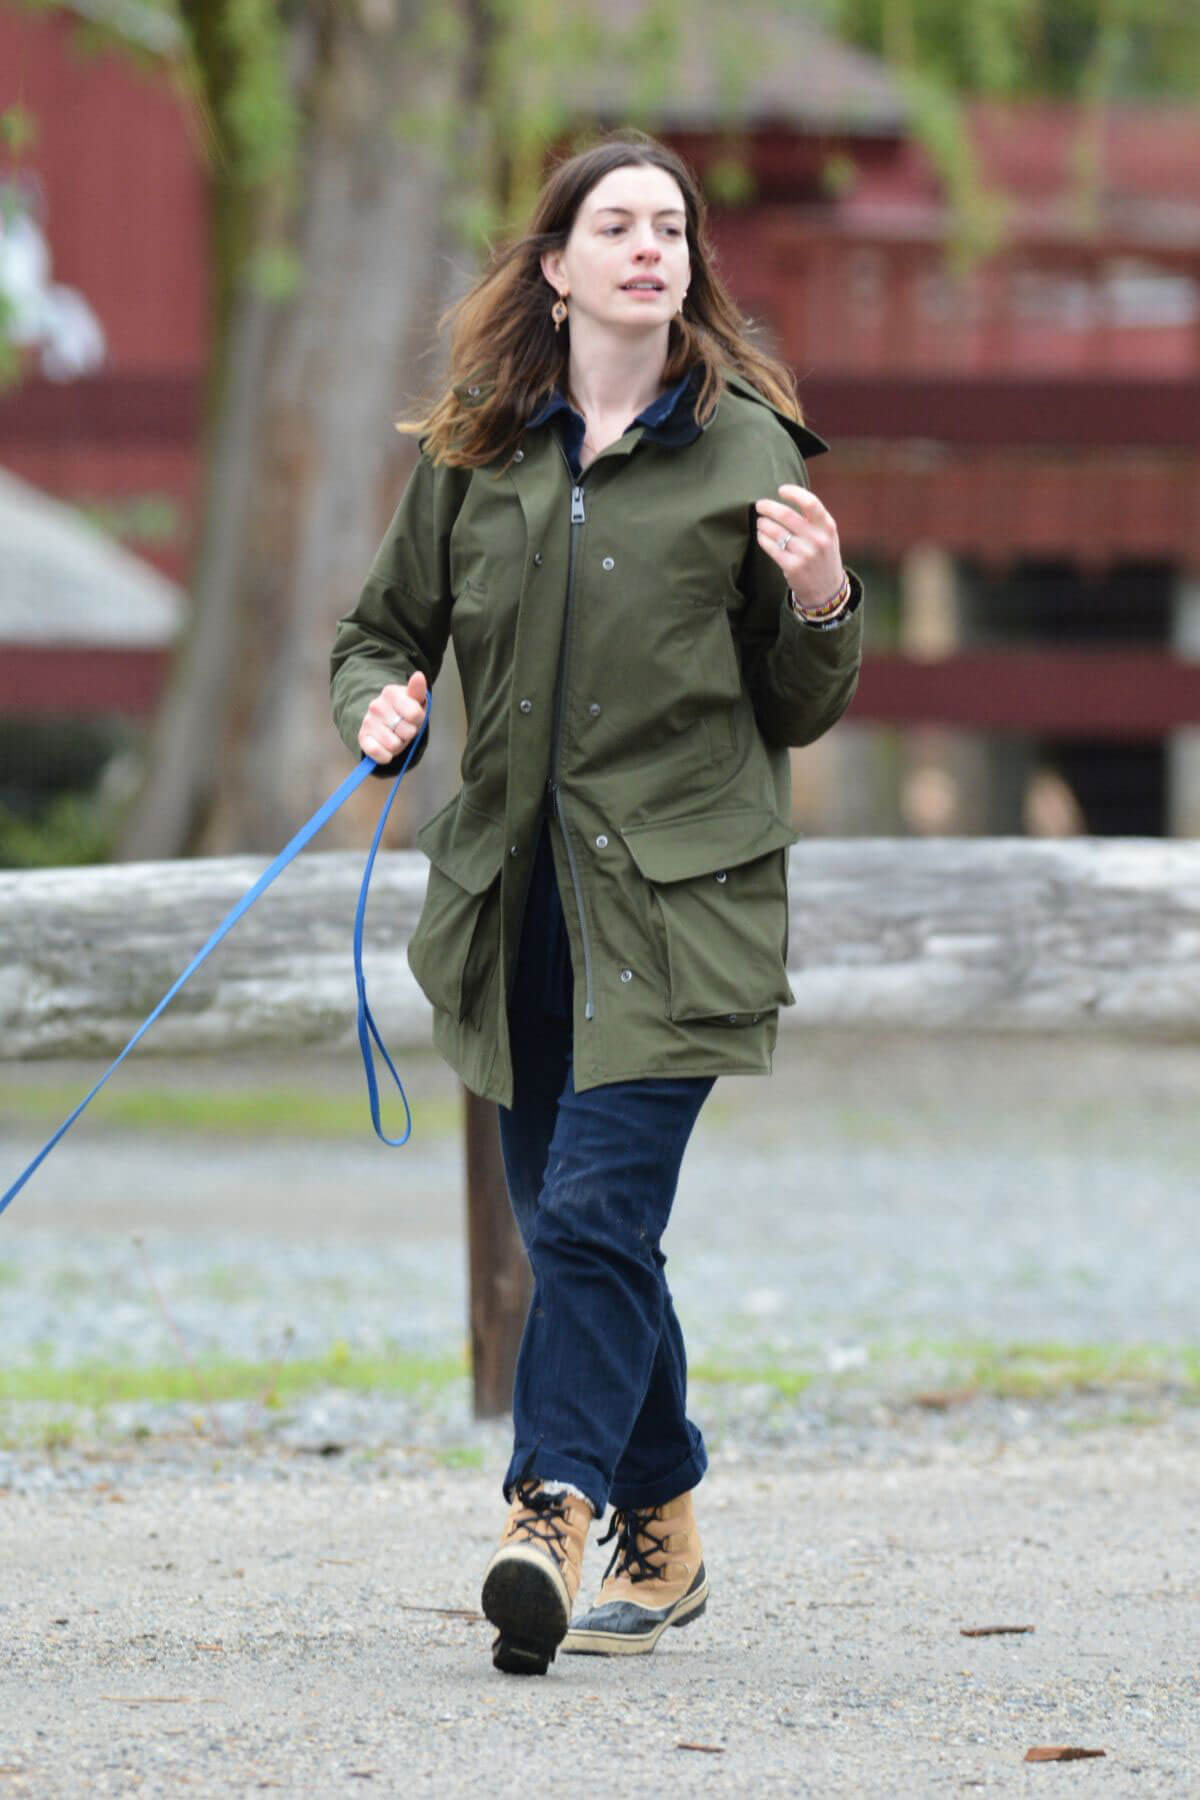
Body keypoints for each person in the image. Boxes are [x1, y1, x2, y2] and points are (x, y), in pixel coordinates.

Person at [330, 130, 863, 1677]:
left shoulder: (753, 451)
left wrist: (826, 599)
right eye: (616, 225)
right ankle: (669, 1519)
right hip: (517, 911)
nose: (650, 247)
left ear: (690, 269)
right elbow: (379, 633)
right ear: (556, 268)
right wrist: (381, 707)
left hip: (682, 913)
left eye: (672, 228)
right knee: (596, 1240)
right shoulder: (476, 453)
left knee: (586, 1219)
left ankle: (546, 1509)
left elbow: (800, 701)